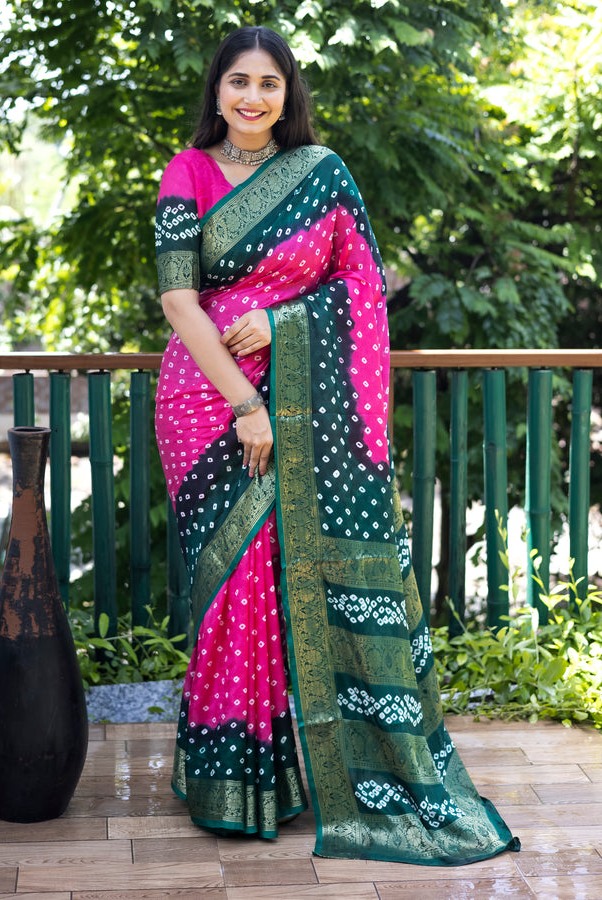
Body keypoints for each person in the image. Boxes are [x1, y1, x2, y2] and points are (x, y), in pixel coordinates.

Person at [154, 25, 520, 864]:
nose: (252, 98)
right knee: (232, 586)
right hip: (208, 402)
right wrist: (249, 402)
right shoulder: (189, 172)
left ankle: (303, 773)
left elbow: (361, 290)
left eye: (269, 84)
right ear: (216, 90)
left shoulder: (324, 176)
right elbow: (180, 303)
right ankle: (230, 778)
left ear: (290, 96)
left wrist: (281, 324)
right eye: (239, 81)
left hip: (309, 409)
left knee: (289, 583)